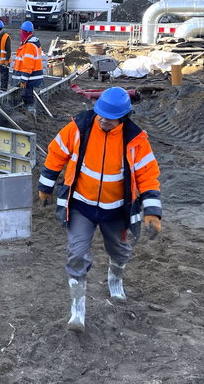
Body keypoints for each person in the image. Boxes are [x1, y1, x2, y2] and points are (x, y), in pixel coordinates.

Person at [37, 87, 162, 332]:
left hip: (116, 210)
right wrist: (46, 185)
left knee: (120, 250)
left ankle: (115, 280)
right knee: (77, 252)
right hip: (81, 205)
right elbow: (57, 153)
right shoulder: (80, 127)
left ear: (123, 118)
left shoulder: (135, 140)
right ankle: (77, 309)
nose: (103, 120)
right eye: (100, 114)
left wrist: (152, 211)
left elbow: (148, 175)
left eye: (109, 117)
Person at [12, 21, 43, 113]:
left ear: (24, 32)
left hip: (30, 77)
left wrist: (23, 80)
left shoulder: (29, 46)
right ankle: (30, 111)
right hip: (32, 76)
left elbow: (28, 65)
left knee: (27, 96)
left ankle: (30, 113)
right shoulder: (33, 43)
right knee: (28, 95)